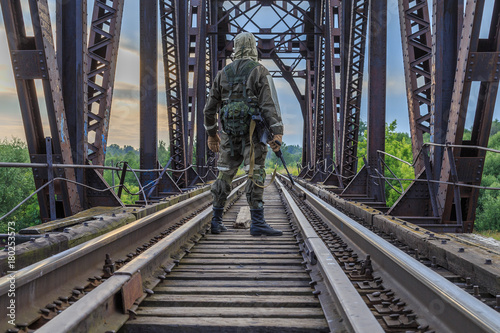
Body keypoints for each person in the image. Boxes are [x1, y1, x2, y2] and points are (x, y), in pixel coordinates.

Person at [203, 31, 284, 236]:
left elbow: (209, 109)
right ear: (253, 47)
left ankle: (216, 221)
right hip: (253, 135)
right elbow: (269, 105)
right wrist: (277, 133)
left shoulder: (223, 73)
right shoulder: (259, 71)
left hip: (229, 135)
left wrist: (212, 134)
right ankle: (257, 223)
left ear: (236, 48)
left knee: (223, 174)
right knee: (255, 172)